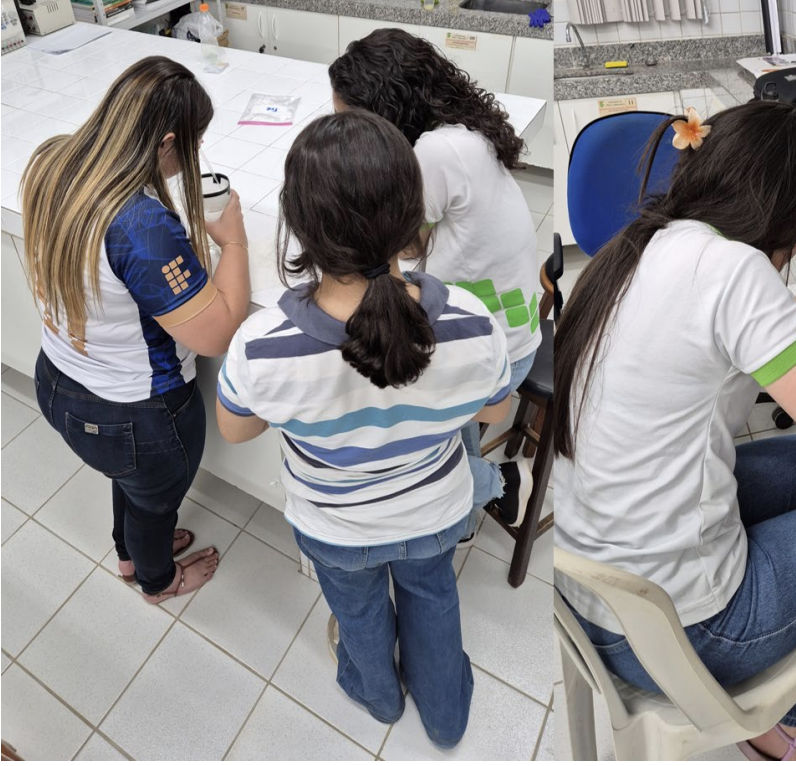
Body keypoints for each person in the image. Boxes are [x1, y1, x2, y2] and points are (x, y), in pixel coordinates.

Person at [552, 101, 796, 761]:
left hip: (596, 584)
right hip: (677, 632)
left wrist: (787, 313)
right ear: (789, 214)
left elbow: (695, 335)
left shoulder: (648, 241)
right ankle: (792, 709)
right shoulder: (736, 272)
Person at [214, 110, 512, 748]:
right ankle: (446, 714)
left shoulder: (262, 346)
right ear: (413, 219)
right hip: (435, 513)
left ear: (299, 226)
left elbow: (236, 433)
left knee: (357, 612)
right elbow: (496, 414)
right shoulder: (469, 319)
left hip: (333, 524)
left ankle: (378, 698)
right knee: (433, 600)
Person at [23, 56, 251, 604]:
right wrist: (234, 239)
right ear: (167, 142)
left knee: (128, 481)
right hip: (135, 415)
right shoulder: (139, 224)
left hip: (59, 382)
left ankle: (129, 549)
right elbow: (216, 334)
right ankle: (155, 579)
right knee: (152, 501)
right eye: (191, 147)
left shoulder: (53, 160)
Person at [329, 28, 539, 528]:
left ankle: (491, 488)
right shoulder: (461, 130)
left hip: (494, 347)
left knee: (414, 430)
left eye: (348, 121)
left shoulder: (433, 155)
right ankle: (466, 510)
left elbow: (402, 247)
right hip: (512, 321)